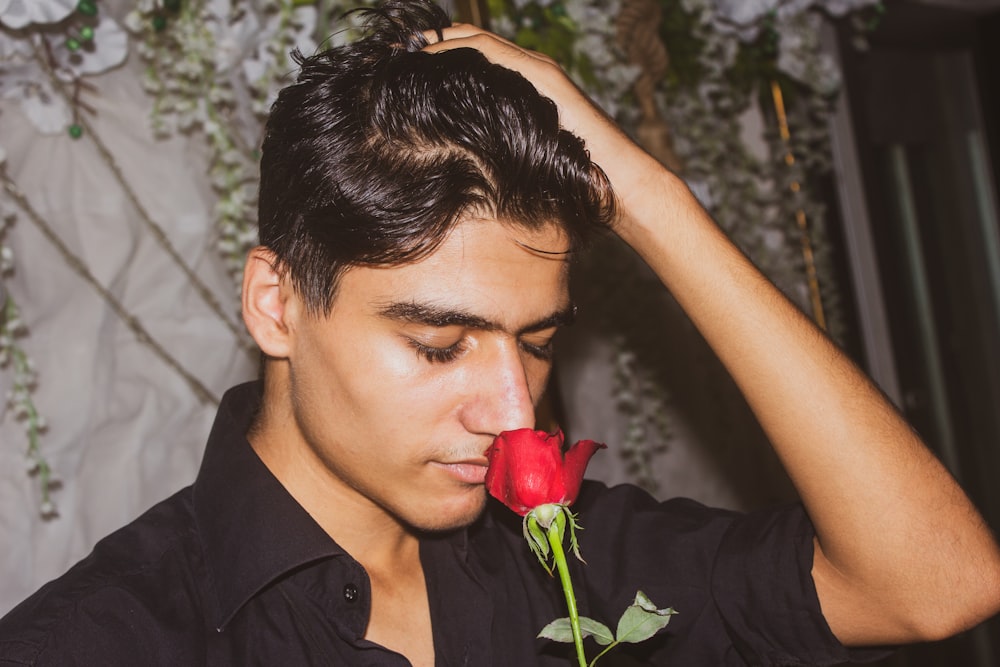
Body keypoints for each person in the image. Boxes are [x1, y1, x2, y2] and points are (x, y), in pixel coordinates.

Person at [1, 1, 998, 664]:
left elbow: (939, 583)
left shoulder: (571, 554)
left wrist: (648, 197)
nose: (513, 412)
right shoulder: (103, 640)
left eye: (535, 340)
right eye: (440, 345)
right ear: (276, 303)